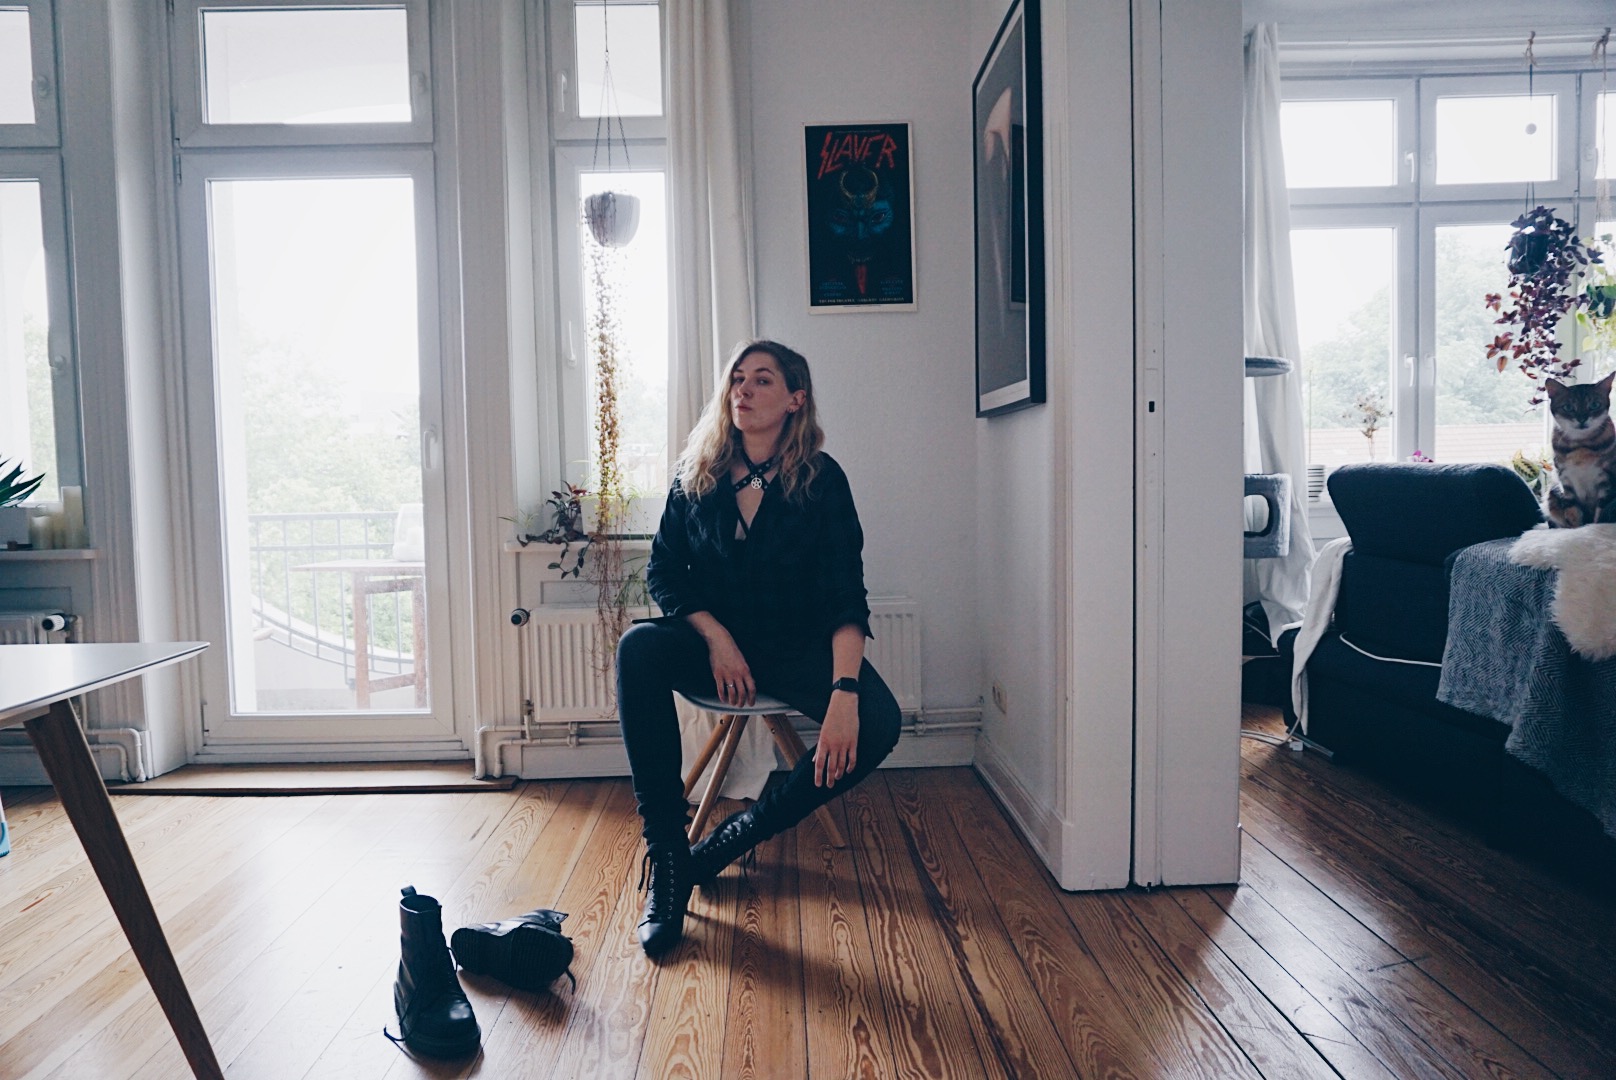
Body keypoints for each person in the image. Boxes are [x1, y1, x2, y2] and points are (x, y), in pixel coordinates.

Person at [616, 339, 902, 956]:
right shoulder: (697, 472)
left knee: (880, 722)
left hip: (794, 644)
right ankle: (668, 861)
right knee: (638, 648)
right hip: (715, 644)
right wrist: (717, 640)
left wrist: (845, 692)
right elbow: (663, 571)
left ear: (796, 400)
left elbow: (845, 594)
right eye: (737, 379)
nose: (742, 390)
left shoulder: (822, 482)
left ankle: (734, 839)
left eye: (762, 380)